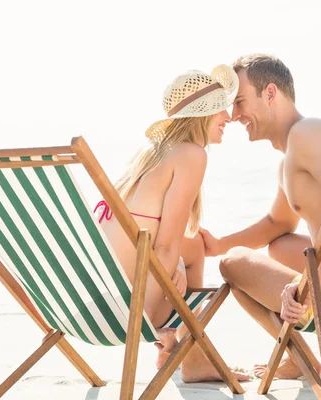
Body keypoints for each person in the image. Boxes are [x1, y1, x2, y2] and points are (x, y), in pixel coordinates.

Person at [200, 54, 321, 378]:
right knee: (280, 245)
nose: (234, 116)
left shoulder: (309, 133)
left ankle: (304, 361)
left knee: (233, 265)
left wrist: (308, 284)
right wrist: (217, 244)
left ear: (271, 94)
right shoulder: (293, 155)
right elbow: (277, 224)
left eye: (239, 102)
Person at [94, 65, 249, 383]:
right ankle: (188, 353)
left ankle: (174, 346)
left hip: (99, 303)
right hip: (134, 312)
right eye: (221, 108)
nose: (229, 117)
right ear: (202, 115)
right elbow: (164, 246)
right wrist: (173, 266)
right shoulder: (191, 154)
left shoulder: (149, 153)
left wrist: (177, 258)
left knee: (193, 247)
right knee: (184, 251)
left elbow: (145, 240)